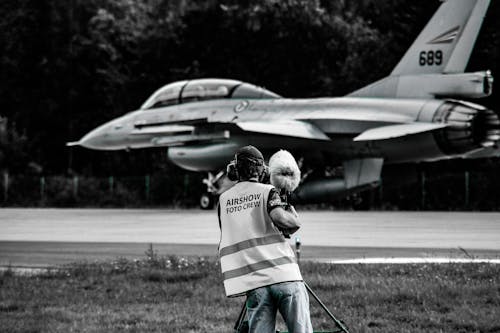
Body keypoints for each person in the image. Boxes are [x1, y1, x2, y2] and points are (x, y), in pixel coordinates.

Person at [217, 145, 312, 333]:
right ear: (262, 170)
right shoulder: (267, 191)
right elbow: (280, 218)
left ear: (235, 170)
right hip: (284, 276)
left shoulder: (223, 200)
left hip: (254, 283)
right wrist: (294, 219)